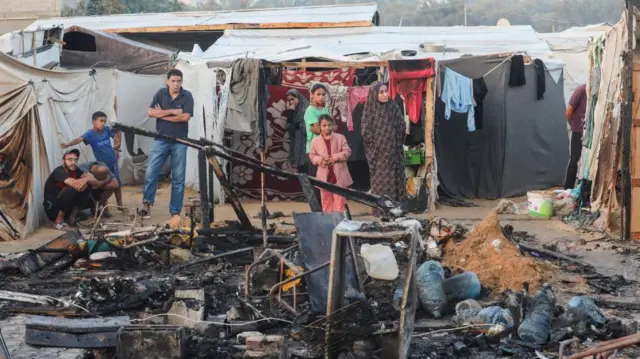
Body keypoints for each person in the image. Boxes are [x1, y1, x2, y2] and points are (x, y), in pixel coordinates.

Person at [142, 69, 194, 226]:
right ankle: (146, 203)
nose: (176, 84)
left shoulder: (187, 95)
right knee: (151, 171)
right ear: (167, 81)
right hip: (161, 139)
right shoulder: (161, 93)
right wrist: (172, 112)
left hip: (180, 141)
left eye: (179, 81)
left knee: (178, 177)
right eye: (173, 81)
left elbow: (185, 117)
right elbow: (150, 112)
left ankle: (175, 212)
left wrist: (162, 114)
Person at [61, 111, 123, 212]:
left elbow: (117, 131)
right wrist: (68, 144)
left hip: (113, 162)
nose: (103, 123)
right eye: (101, 121)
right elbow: (79, 139)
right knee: (105, 187)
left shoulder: (107, 130)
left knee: (118, 184)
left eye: (104, 121)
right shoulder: (90, 134)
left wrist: (118, 143)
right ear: (94, 121)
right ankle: (103, 209)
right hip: (102, 165)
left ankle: (120, 206)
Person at [361, 82, 407, 218]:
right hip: (379, 155)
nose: (384, 94)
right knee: (382, 184)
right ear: (374, 94)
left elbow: (401, 124)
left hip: (395, 153)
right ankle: (382, 212)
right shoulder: (370, 110)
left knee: (397, 181)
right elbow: (365, 132)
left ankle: (397, 211)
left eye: (385, 91)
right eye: (381, 92)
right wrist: (378, 145)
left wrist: (395, 141)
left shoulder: (392, 106)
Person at [43, 149, 99, 229]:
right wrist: (86, 179)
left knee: (88, 186)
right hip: (53, 209)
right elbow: (75, 185)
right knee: (71, 189)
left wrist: (85, 179)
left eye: (75, 160)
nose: (73, 162)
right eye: (70, 160)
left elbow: (96, 182)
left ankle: (72, 217)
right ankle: (58, 221)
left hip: (67, 206)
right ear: (63, 161)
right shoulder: (58, 171)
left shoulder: (76, 170)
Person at [309, 114, 353, 213]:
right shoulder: (315, 141)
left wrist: (335, 158)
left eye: (329, 125)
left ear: (333, 125)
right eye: (324, 125)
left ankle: (340, 224)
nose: (327, 128)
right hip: (324, 176)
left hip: (339, 175)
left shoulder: (340, 137)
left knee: (340, 203)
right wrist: (321, 160)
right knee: (326, 202)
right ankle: (328, 224)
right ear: (319, 126)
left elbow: (347, 152)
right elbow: (312, 156)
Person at [564, 84, 587, 189]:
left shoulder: (599, 92)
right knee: (574, 160)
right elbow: (568, 112)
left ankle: (584, 189)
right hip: (578, 131)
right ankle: (568, 188)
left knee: (588, 161)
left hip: (589, 132)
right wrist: (573, 125)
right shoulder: (581, 90)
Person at [304, 84, 329, 177]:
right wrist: (326, 127)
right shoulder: (310, 111)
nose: (321, 97)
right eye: (318, 94)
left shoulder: (325, 110)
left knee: (325, 178)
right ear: (312, 94)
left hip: (325, 148)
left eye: (323, 94)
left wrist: (322, 126)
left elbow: (330, 127)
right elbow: (316, 130)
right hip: (314, 149)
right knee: (316, 179)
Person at [285, 89, 310, 173]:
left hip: (307, 145)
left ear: (298, 98)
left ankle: (309, 186)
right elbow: (288, 128)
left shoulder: (307, 110)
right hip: (297, 144)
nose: (291, 102)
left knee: (307, 169)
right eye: (288, 100)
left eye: (292, 99)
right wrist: (290, 113)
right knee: (301, 171)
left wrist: (297, 125)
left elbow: (310, 129)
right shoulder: (294, 111)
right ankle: (304, 186)